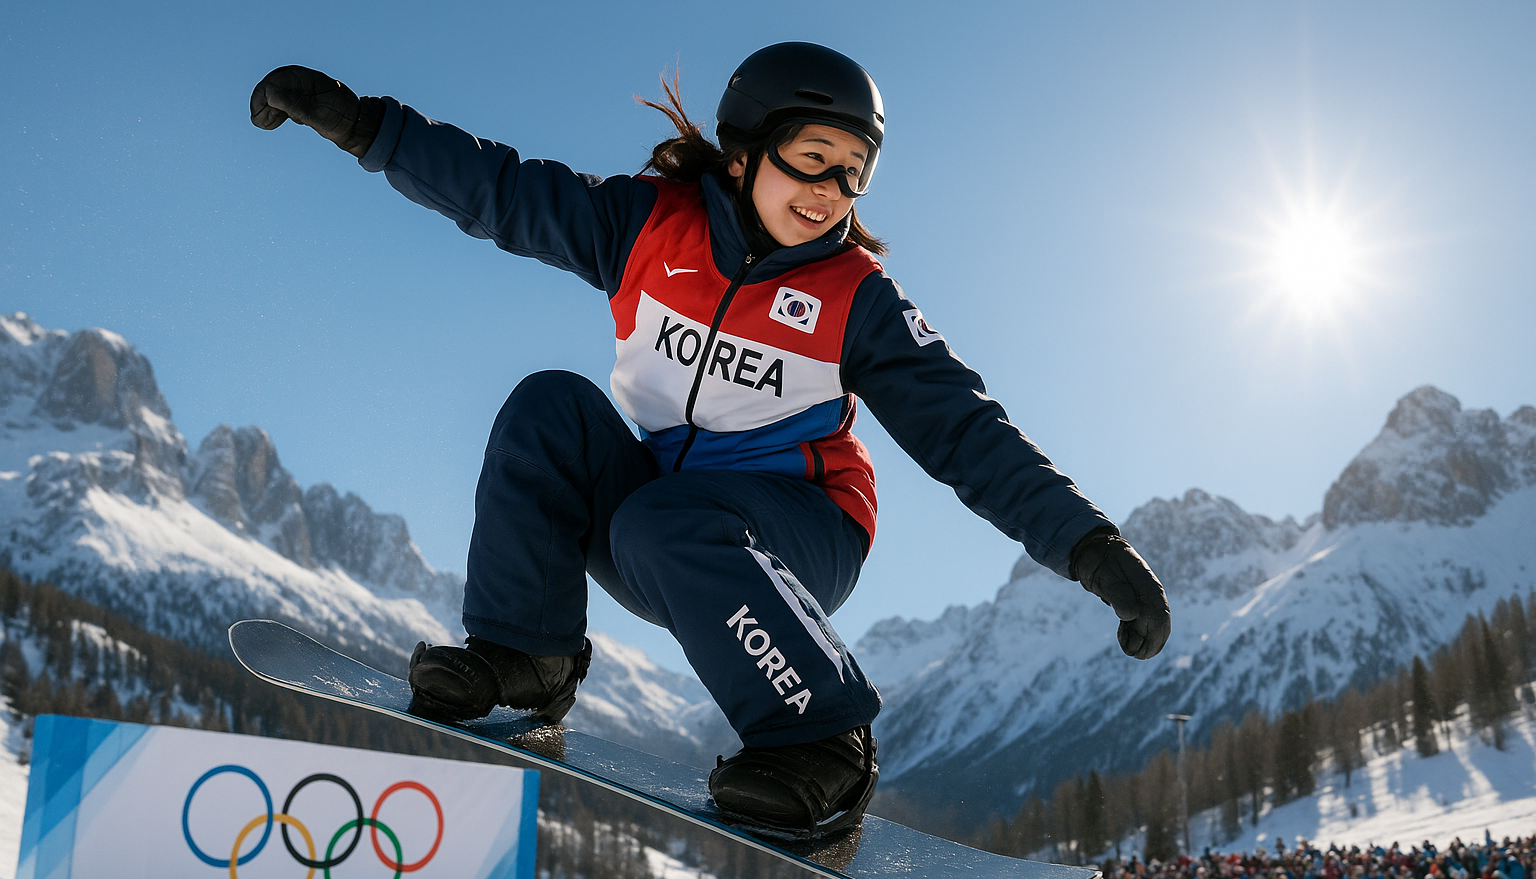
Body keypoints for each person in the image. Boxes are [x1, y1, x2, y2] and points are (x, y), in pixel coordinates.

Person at [247, 42, 1171, 839]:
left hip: (803, 530)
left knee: (662, 519)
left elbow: (972, 438)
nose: (833, 192)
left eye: (855, 172)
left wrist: (1092, 549)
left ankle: (825, 738)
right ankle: (525, 653)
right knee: (547, 407)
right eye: (814, 160)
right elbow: (500, 190)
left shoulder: (859, 300)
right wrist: (362, 124)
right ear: (743, 153)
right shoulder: (648, 226)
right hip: (661, 512)